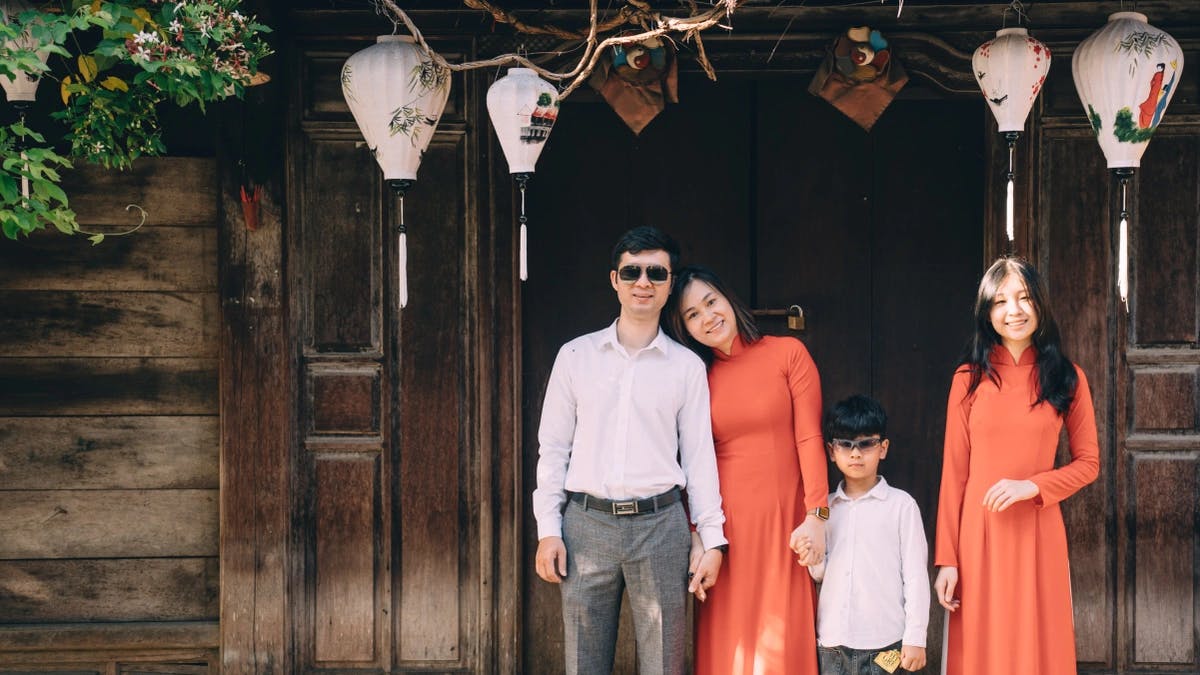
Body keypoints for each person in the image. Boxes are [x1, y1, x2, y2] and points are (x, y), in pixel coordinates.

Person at [532, 227, 728, 675]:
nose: (644, 281)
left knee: (664, 663)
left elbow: (699, 459)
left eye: (656, 273)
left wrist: (712, 539)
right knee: (584, 663)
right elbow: (554, 448)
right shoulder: (575, 356)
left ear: (668, 284)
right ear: (615, 280)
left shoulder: (687, 367)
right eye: (632, 271)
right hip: (586, 524)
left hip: (661, 527)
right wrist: (548, 528)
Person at [933, 256, 1100, 675]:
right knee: (981, 648)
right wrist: (947, 559)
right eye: (1001, 301)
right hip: (978, 535)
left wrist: (1035, 487)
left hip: (1037, 533)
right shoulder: (968, 378)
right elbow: (954, 474)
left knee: (1037, 646)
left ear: (1040, 305)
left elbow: (1089, 463)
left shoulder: (1068, 378)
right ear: (987, 312)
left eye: (1024, 298)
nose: (1015, 310)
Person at [664, 265, 828, 675]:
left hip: (784, 522)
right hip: (725, 530)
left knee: (783, 638)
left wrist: (816, 516)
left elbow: (809, 438)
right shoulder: (695, 377)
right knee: (729, 641)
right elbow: (688, 462)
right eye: (692, 315)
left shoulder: (787, 353)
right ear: (684, 329)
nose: (708, 317)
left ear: (728, 299)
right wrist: (698, 535)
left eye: (711, 302)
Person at [797, 395, 929, 675]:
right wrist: (810, 555)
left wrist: (915, 636)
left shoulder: (901, 506)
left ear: (883, 448)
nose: (855, 453)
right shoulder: (825, 509)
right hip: (833, 643)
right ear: (832, 451)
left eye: (866, 444)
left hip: (887, 644)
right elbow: (820, 575)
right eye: (846, 444)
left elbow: (916, 576)